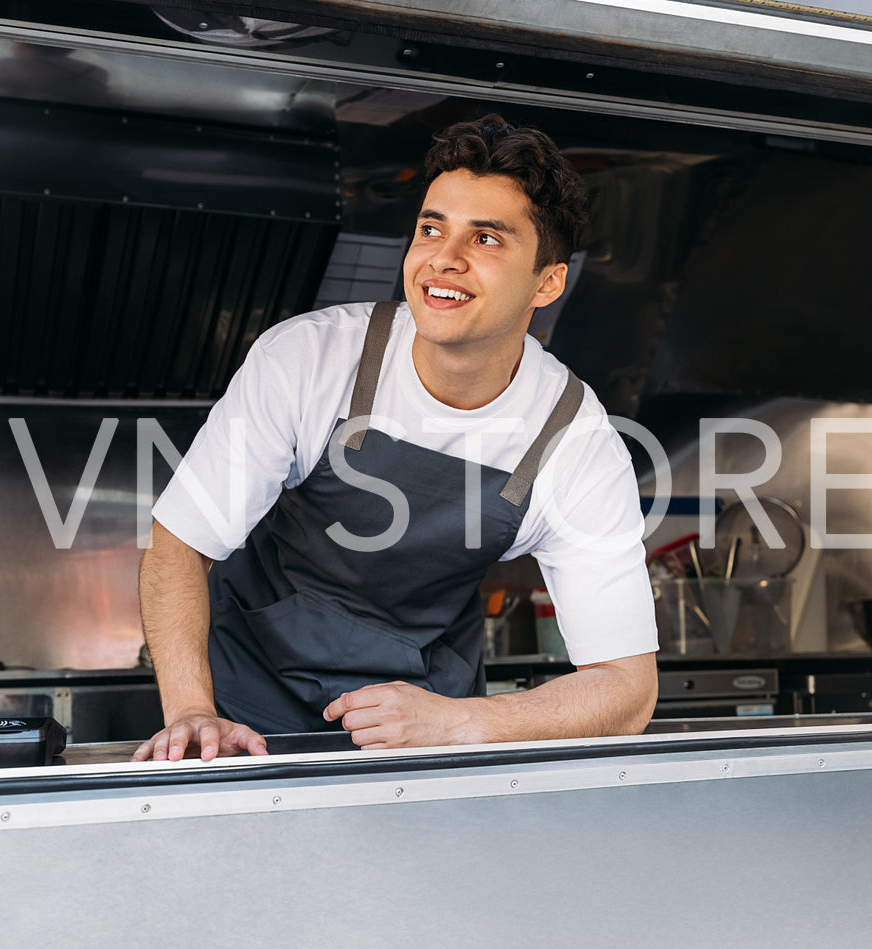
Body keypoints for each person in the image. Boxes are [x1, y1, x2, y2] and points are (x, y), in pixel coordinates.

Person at [134, 113, 658, 762]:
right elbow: (178, 547)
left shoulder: (573, 440)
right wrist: (191, 710)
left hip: (425, 720)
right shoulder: (309, 360)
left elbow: (627, 690)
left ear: (547, 282)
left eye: (486, 240)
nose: (444, 258)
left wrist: (460, 725)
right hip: (244, 708)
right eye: (431, 228)